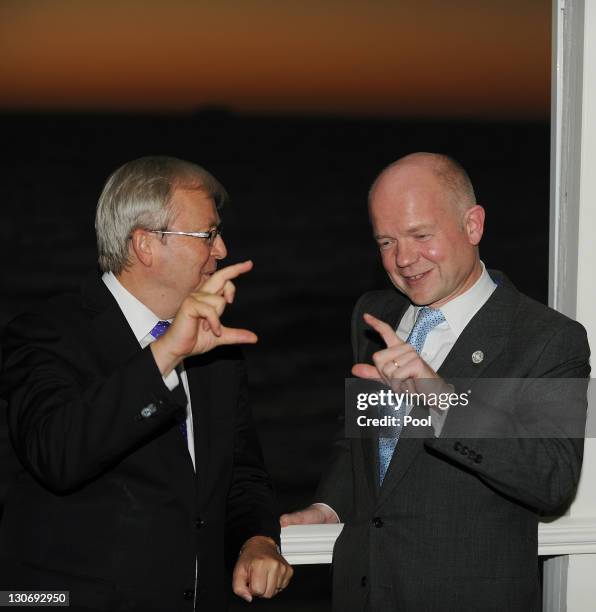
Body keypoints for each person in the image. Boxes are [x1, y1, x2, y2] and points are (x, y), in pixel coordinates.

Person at [281, 152, 590, 611]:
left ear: (473, 226)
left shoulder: (549, 338)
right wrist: (328, 507)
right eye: (385, 242)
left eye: (420, 235)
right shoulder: (374, 316)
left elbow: (552, 480)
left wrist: (441, 400)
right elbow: (361, 441)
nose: (403, 259)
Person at [0, 156, 293, 611]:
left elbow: (242, 473)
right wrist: (165, 355)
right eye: (208, 234)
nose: (221, 250)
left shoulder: (214, 343)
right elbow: (56, 453)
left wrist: (257, 539)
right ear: (145, 246)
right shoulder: (47, 332)